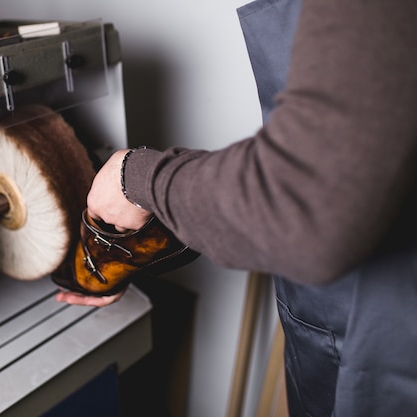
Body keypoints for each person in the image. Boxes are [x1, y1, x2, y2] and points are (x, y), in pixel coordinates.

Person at [56, 0, 417, 415]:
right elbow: (348, 153)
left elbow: (304, 202)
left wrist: (136, 179)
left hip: (387, 338)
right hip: (327, 309)